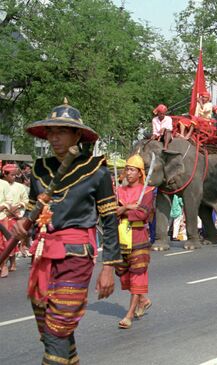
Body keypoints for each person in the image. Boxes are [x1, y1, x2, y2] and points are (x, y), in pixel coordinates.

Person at [11, 99, 121, 364]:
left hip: (76, 254)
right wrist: (23, 223)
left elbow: (109, 220)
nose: (54, 137)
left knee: (58, 325)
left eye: (61, 131)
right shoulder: (39, 169)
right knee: (48, 325)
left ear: (77, 135)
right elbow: (33, 210)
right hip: (43, 254)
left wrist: (109, 268)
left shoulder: (97, 170)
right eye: (51, 131)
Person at [115, 155, 155, 329]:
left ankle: (129, 315)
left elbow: (142, 214)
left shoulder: (146, 191)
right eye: (127, 169)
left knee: (138, 273)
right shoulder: (119, 191)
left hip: (138, 236)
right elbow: (112, 212)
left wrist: (124, 209)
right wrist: (127, 207)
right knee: (123, 272)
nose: (129, 173)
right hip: (122, 235)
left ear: (140, 173)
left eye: (132, 170)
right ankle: (143, 299)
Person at [0, 163, 28, 277]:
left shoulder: (10, 185)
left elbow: (13, 201)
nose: (14, 177)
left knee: (7, 242)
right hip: (9, 213)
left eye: (15, 175)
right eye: (12, 175)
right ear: (4, 174)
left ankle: (5, 265)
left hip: (8, 216)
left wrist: (15, 208)